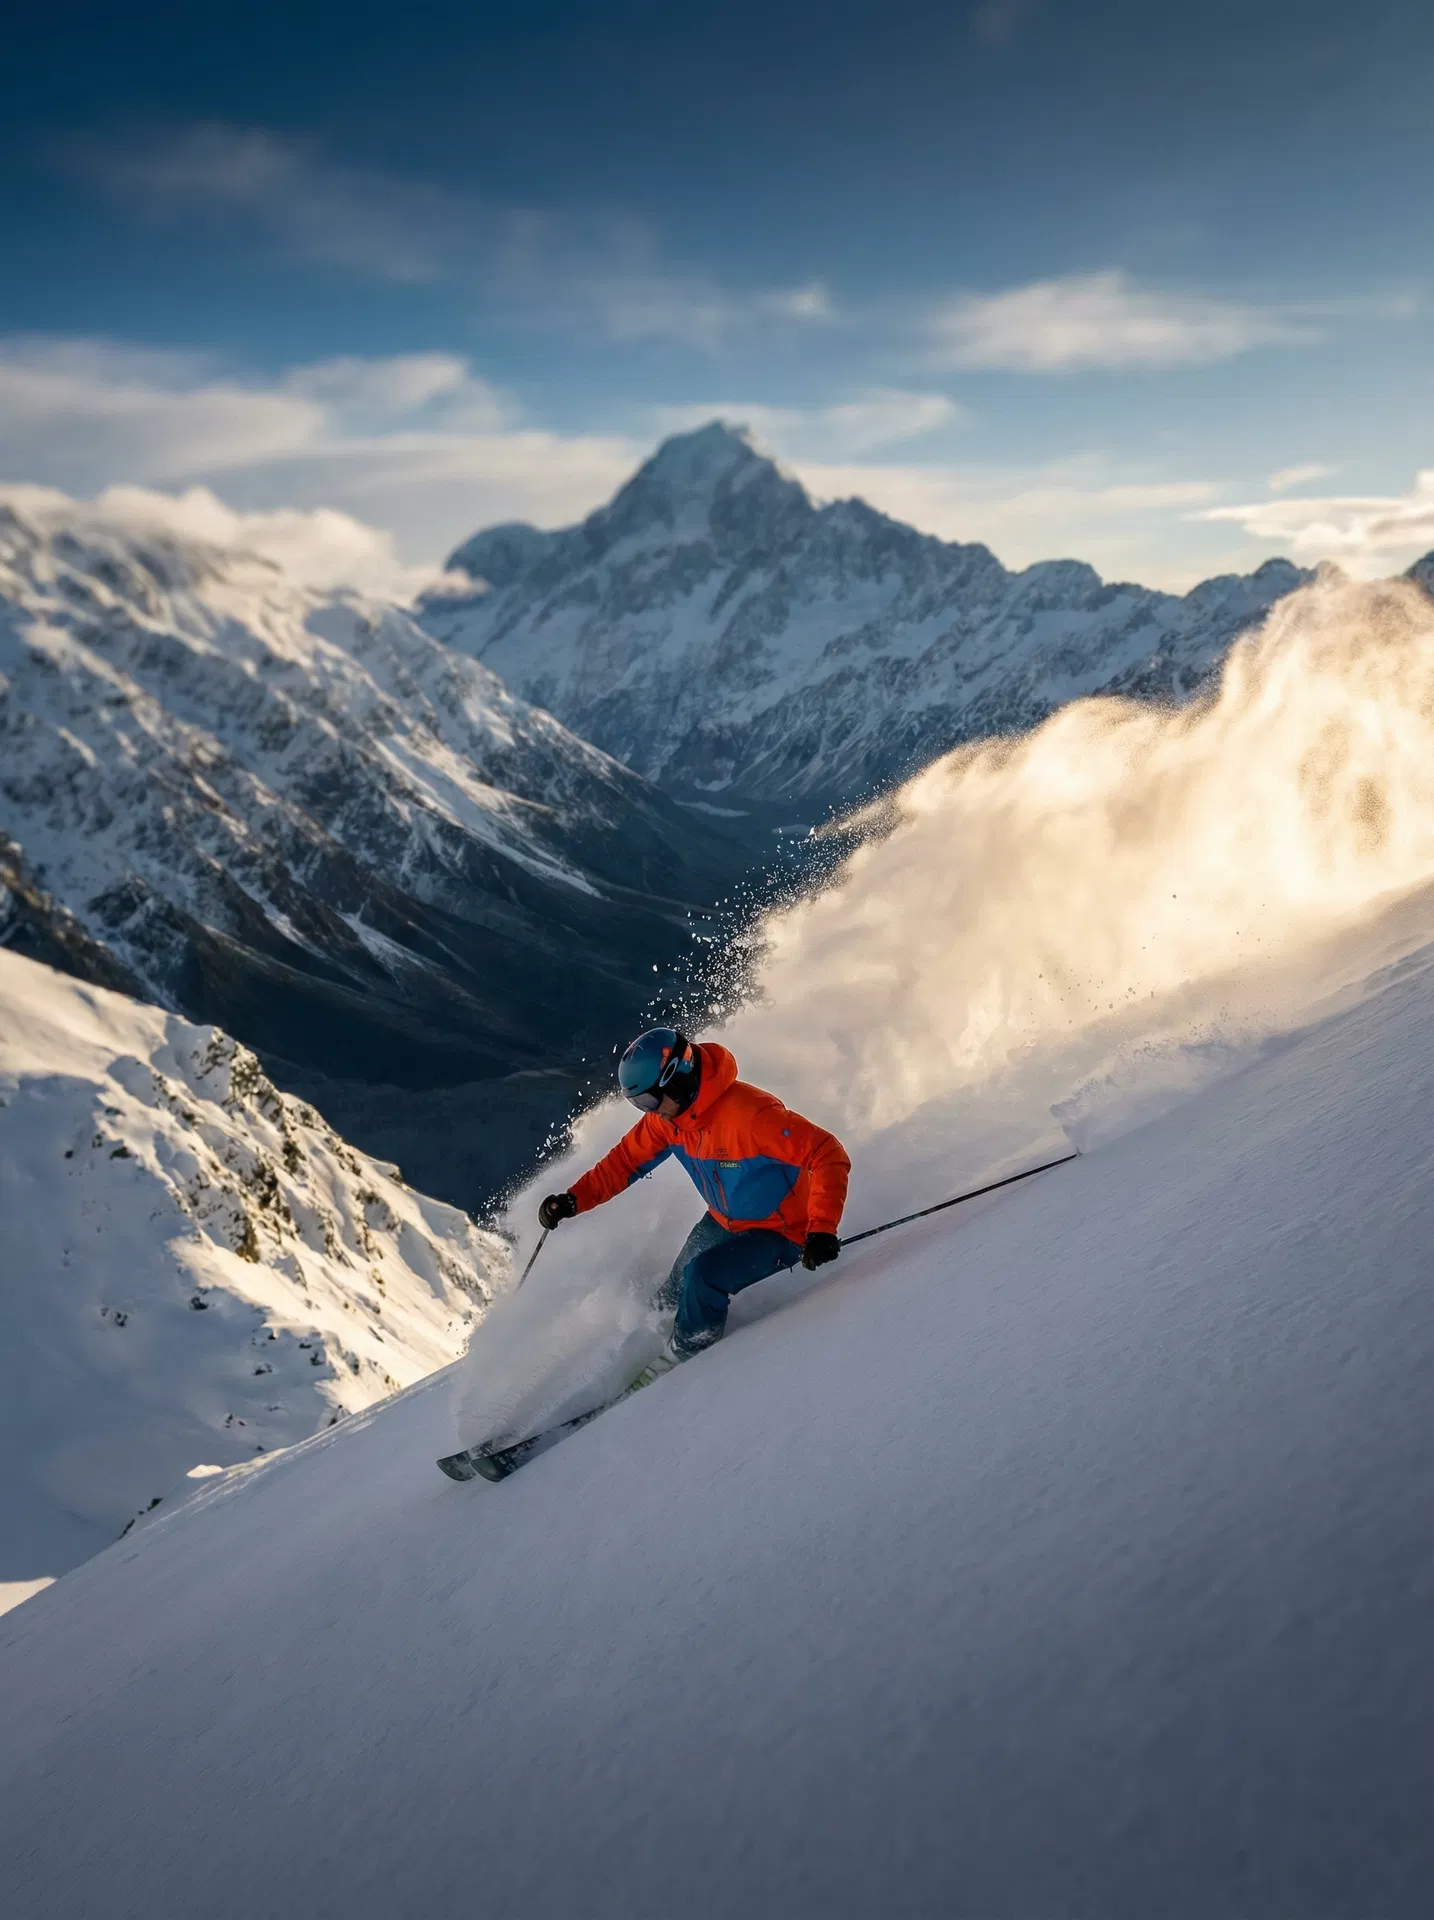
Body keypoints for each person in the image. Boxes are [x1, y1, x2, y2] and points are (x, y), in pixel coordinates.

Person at [538, 1027, 850, 1384]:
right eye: (641, 1105)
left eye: (649, 1102)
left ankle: (683, 1359)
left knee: (704, 1277)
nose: (649, 1112)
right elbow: (623, 1163)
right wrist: (574, 1199)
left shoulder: (751, 1116)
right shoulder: (669, 1122)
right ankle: (650, 1334)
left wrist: (822, 1229)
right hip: (723, 1220)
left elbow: (827, 1152)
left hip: (784, 1231)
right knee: (675, 1287)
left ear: (676, 1080)